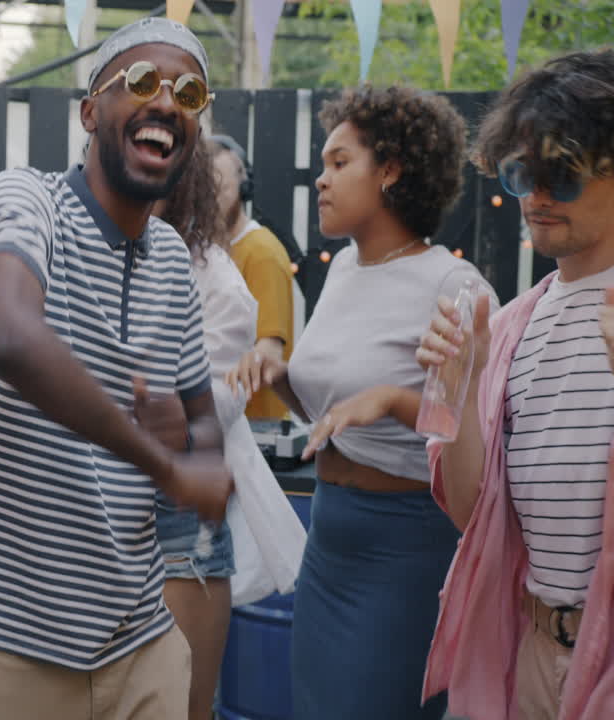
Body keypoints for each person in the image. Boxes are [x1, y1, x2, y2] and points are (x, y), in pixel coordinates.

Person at [0, 18, 232, 719]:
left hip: (140, 644)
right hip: (3, 651)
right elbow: (10, 336)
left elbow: (202, 417)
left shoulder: (174, 260)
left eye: (189, 93)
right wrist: (163, 460)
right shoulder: (29, 202)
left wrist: (196, 448)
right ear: (91, 112)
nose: (169, 103)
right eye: (144, 81)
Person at [229, 85, 497, 719]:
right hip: (329, 537)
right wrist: (280, 375)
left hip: (404, 548)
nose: (321, 180)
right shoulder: (346, 269)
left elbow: (472, 428)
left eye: (339, 163)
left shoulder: (451, 283)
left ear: (392, 170)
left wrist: (392, 399)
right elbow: (330, 413)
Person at [417, 50, 614, 719]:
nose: (534, 197)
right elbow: (467, 510)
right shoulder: (510, 326)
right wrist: (461, 388)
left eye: (560, 175)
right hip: (528, 651)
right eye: (520, 174)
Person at [149, 138, 243, 718]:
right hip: (86, 522)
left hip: (177, 532)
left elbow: (201, 419)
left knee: (180, 708)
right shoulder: (87, 255)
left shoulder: (218, 284)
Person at [206, 134, 296, 419]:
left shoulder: (262, 252)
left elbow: (269, 351)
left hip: (256, 425)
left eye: (221, 190)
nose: (209, 202)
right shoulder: (204, 251)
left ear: (244, 189)